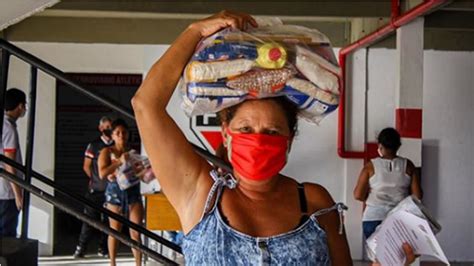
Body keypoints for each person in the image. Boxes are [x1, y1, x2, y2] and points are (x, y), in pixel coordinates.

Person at [132, 11, 354, 265]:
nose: (258, 141)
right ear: (226, 133)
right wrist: (195, 31)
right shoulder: (199, 193)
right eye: (246, 130)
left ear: (289, 139)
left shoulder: (315, 201)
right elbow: (145, 104)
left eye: (272, 132)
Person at [354, 127, 423, 241]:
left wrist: (372, 195)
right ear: (398, 146)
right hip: (399, 218)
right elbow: (417, 196)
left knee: (377, 256)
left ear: (380, 146)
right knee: (397, 256)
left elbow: (358, 195)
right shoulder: (408, 165)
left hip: (373, 218)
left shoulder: (370, 166)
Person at [98, 118, 143, 266]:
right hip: (115, 193)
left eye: (124, 132)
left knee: (136, 231)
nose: (121, 135)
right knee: (115, 230)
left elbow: (141, 172)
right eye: (117, 133)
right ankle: (112, 263)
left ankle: (138, 263)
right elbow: (102, 173)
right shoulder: (107, 151)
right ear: (112, 136)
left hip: (133, 192)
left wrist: (139, 170)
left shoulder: (133, 152)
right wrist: (118, 162)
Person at [73, 116, 113, 258]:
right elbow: (86, 166)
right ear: (101, 129)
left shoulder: (115, 145)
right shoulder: (94, 145)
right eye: (107, 127)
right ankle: (81, 248)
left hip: (111, 191)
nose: (110, 130)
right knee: (89, 220)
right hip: (95, 190)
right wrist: (96, 179)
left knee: (108, 221)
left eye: (111, 126)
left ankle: (103, 248)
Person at [0, 88, 26, 237]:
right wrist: (18, 194)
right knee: (7, 234)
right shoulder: (8, 128)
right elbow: (10, 163)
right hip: (7, 191)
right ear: (20, 106)